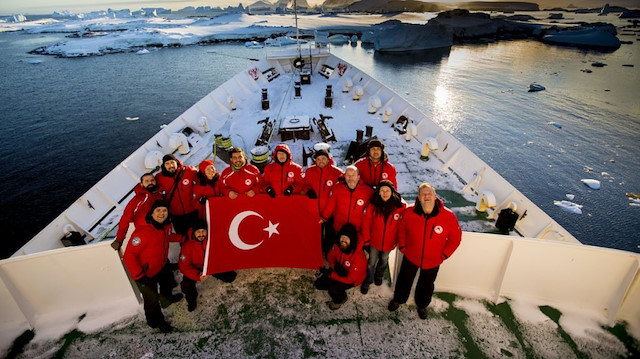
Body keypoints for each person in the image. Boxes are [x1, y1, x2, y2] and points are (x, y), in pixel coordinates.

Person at [388, 183, 462, 319]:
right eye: (423, 194)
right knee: (404, 279)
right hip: (411, 255)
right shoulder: (410, 212)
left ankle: (422, 305)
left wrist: (444, 255)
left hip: (433, 260)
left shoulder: (448, 216)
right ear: (419, 197)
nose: (426, 196)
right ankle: (399, 299)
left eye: (429, 193)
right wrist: (403, 246)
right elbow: (402, 229)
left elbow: (455, 238)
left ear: (435, 196)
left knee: (427, 285)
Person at [122, 201, 184, 332]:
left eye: (164, 211)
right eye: (158, 211)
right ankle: (155, 322)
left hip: (161, 266)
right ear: (152, 213)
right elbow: (129, 256)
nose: (162, 214)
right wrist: (139, 276)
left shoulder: (165, 227)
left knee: (167, 283)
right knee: (151, 300)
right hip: (145, 274)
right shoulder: (142, 233)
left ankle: (167, 299)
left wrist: (183, 238)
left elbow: (168, 237)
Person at [178, 221, 236, 312]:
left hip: (210, 265)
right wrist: (197, 275)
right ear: (193, 233)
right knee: (186, 286)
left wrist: (214, 265)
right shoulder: (187, 246)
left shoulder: (212, 240)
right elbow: (184, 266)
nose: (201, 234)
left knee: (230, 276)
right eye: (198, 232)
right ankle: (191, 301)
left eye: (203, 231)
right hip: (195, 268)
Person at [359, 180, 405, 294]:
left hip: (389, 242)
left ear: (392, 192)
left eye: (387, 190)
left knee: (384, 260)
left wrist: (398, 240)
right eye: (382, 190)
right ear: (378, 192)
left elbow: (402, 226)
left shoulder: (399, 207)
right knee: (371, 262)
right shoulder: (372, 206)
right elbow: (366, 224)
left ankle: (379, 276)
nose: (385, 193)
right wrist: (366, 240)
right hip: (374, 242)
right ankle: (368, 280)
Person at [314, 223, 367, 310]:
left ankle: (340, 299)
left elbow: (350, 279)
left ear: (352, 240)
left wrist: (331, 275)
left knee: (333, 288)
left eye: (347, 238)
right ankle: (334, 286)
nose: (343, 240)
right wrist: (334, 266)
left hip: (352, 279)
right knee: (319, 284)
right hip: (338, 270)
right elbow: (330, 256)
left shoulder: (358, 257)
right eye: (342, 237)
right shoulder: (337, 245)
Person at [303, 149, 344, 256]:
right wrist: (308, 190)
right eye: (318, 159)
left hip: (331, 211)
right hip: (315, 210)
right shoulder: (309, 171)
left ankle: (328, 252)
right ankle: (317, 252)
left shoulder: (337, 172)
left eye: (323, 159)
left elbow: (347, 183)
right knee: (316, 233)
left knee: (330, 233)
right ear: (315, 160)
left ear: (328, 159)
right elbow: (305, 185)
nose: (321, 161)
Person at [111, 172, 163, 252]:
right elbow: (125, 218)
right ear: (141, 184)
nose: (150, 183)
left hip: (160, 231)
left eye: (152, 180)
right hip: (145, 234)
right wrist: (119, 239)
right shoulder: (138, 199)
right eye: (147, 181)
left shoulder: (159, 195)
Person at [320, 166, 373, 237]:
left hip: (357, 230)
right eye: (348, 175)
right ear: (344, 176)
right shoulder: (337, 188)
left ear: (358, 177)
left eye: (353, 175)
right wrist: (323, 217)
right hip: (340, 228)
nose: (350, 178)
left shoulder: (367, 192)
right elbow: (331, 205)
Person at [155, 154, 199, 236]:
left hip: (193, 211)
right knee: (183, 238)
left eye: (172, 162)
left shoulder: (188, 171)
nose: (170, 165)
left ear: (176, 162)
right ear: (164, 166)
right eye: (167, 164)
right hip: (176, 215)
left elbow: (201, 181)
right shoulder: (159, 178)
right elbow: (154, 192)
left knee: (197, 236)